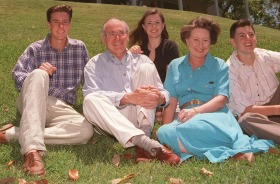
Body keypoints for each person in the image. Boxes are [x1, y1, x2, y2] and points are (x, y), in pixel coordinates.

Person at [156, 16, 274, 164]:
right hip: (185, 118)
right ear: (187, 40)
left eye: (205, 40)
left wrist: (196, 111)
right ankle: (229, 152)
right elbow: (171, 103)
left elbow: (221, 99)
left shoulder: (220, 65)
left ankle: (195, 147)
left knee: (195, 127)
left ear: (211, 42)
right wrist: (163, 138)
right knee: (164, 132)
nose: (200, 45)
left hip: (214, 116)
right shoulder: (175, 65)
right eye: (195, 39)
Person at [0, 5, 94, 176]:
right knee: (38, 74)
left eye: (65, 22)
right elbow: (17, 75)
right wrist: (40, 76)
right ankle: (32, 151)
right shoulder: (35, 49)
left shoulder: (79, 48)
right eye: (56, 22)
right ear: (48, 24)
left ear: (70, 25)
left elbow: (89, 79)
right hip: (33, 99)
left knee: (86, 131)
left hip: (60, 107)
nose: (61, 26)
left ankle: (13, 134)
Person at [82, 18, 181, 165]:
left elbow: (164, 92)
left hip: (142, 116)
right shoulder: (94, 64)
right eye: (111, 34)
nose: (117, 38)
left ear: (127, 36)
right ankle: (146, 143)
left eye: (121, 33)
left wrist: (160, 98)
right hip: (111, 120)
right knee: (90, 100)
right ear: (104, 38)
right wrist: (128, 98)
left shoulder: (143, 60)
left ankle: (143, 137)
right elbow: (92, 94)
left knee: (146, 69)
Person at [227, 18, 280, 144]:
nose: (248, 38)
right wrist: (278, 109)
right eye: (242, 35)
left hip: (275, 103)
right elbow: (245, 110)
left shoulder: (263, 55)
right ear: (233, 42)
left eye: (251, 35)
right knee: (245, 120)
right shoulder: (229, 69)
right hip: (256, 117)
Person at [129, 8, 180, 121]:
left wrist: (162, 101)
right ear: (144, 27)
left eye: (157, 23)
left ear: (163, 25)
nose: (153, 27)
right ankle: (149, 113)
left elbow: (170, 78)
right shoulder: (139, 49)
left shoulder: (170, 47)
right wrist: (130, 55)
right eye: (149, 23)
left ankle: (154, 112)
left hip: (163, 94)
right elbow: (131, 77)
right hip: (142, 93)